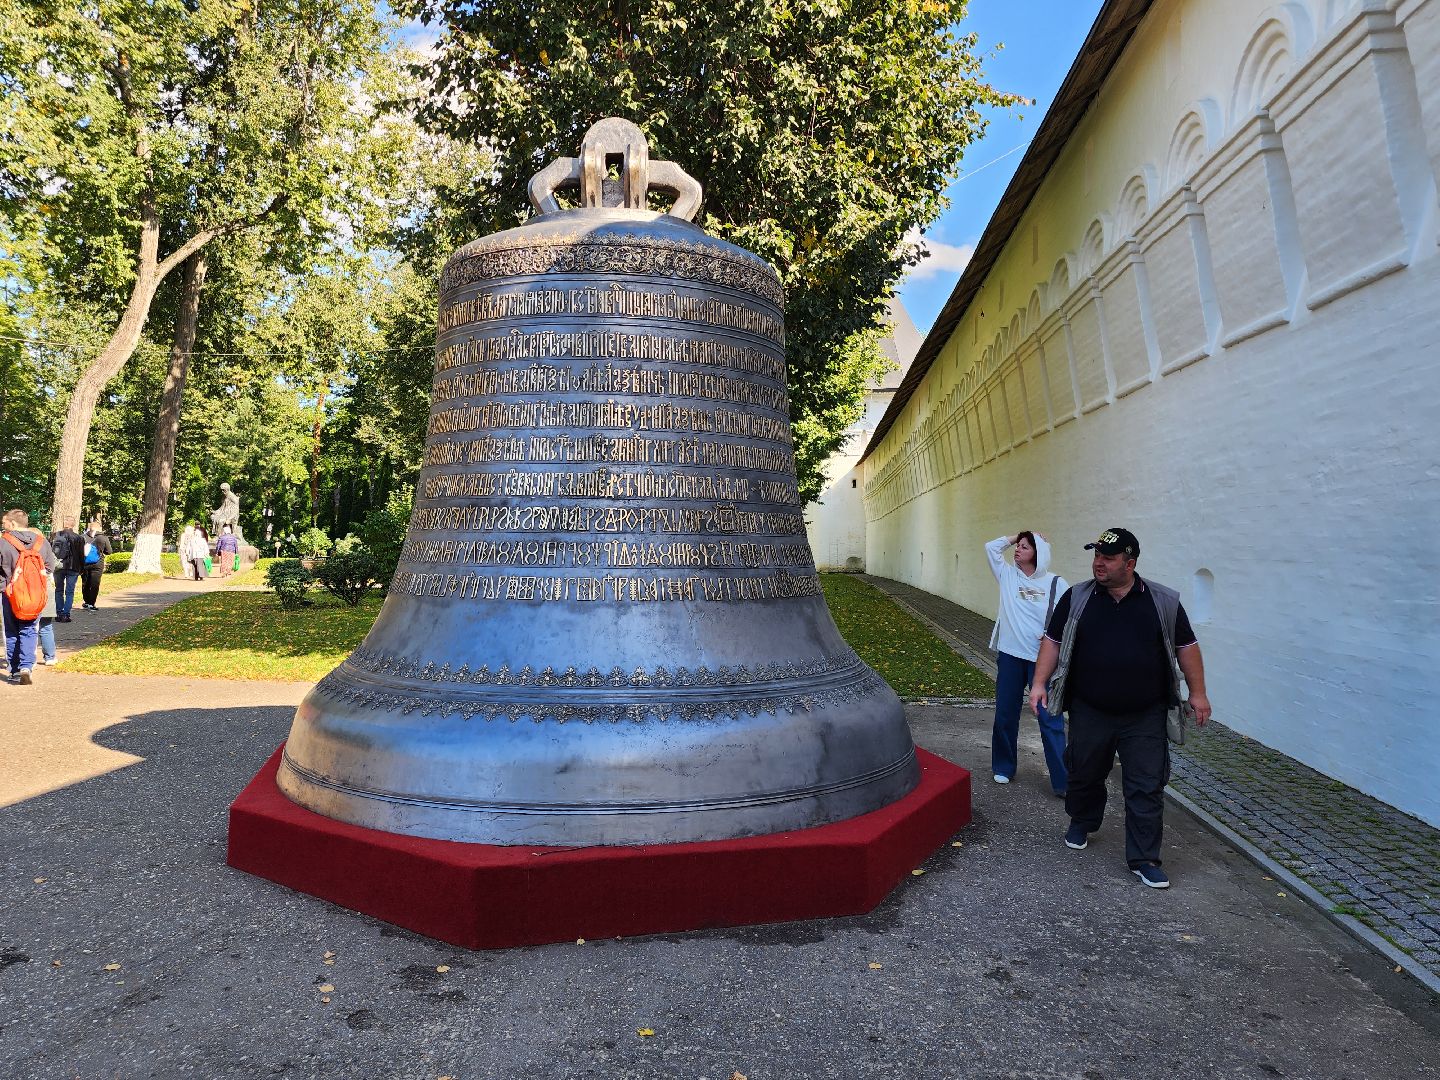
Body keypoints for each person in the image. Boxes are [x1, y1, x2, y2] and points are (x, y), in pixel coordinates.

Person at [1030, 528, 1212, 889]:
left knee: (1146, 784)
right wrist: (1038, 684)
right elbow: (1052, 641)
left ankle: (1144, 857)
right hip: (1090, 708)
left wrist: (1199, 693)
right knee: (1084, 772)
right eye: (1097, 555)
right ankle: (1082, 819)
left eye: (1108, 557)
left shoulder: (1163, 601)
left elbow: (1187, 647)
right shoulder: (1077, 597)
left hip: (1145, 713)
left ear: (1130, 563)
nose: (1099, 563)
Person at [984, 531, 1069, 794]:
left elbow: (1067, 617)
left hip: (1041, 660)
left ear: (1038, 553)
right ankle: (1003, 767)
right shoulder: (1008, 575)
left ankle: (1063, 781)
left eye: (1024, 547)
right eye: (1017, 546)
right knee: (1006, 714)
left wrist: (1054, 634)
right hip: (1010, 656)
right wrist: (1016, 535)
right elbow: (991, 547)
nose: (1017, 551)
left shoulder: (1056, 583)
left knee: (1049, 718)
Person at [2, 509, 58, 685]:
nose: (3, 525)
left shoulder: (4, 542)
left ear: (12, 524)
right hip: (35, 593)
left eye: (4, 522)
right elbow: (50, 566)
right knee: (29, 629)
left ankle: (15, 669)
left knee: (11, 631)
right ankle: (27, 666)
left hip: (8, 592)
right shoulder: (42, 542)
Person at [49, 515, 84, 623]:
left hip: (59, 566)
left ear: (64, 523)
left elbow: (51, 552)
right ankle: (66, 614)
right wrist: (82, 568)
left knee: (58, 590)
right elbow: (81, 555)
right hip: (73, 567)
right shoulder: (79, 538)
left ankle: (59, 613)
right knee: (70, 591)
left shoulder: (55, 535)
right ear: (73, 524)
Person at [80, 521, 112, 609]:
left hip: (85, 563)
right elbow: (109, 551)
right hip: (98, 563)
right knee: (95, 583)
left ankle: (86, 601)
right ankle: (91, 603)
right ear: (99, 528)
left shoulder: (82, 537)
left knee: (85, 582)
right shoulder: (103, 538)